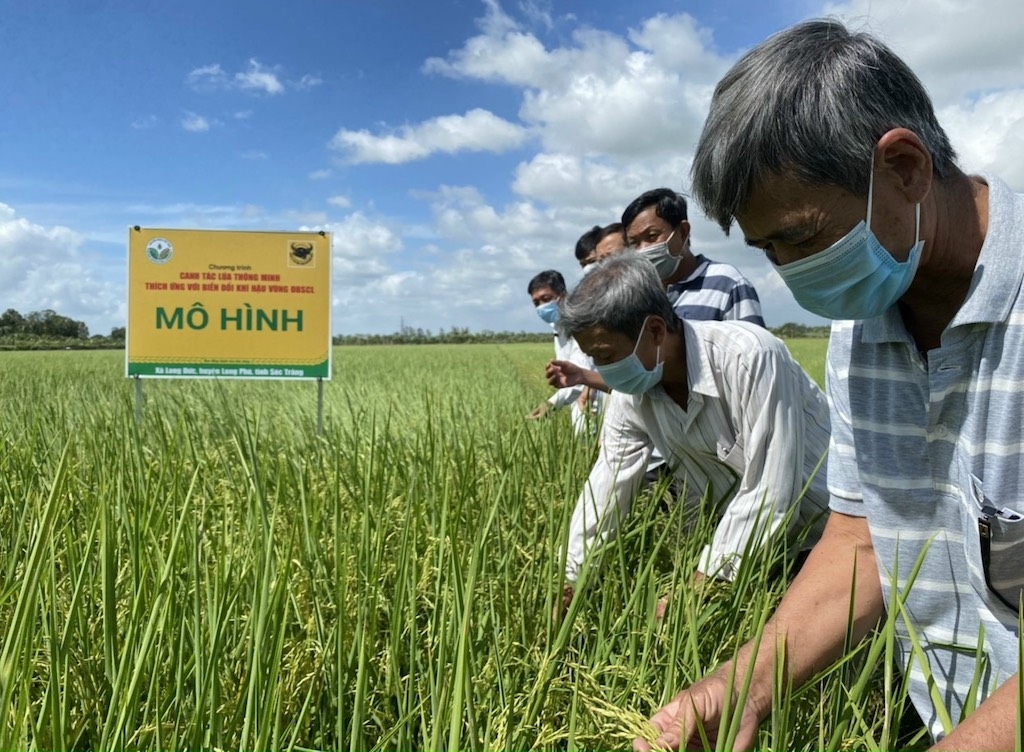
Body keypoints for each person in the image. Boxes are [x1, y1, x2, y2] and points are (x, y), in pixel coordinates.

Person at [635, 19, 1024, 752]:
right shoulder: (864, 324)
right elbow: (863, 541)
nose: (792, 273)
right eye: (769, 250)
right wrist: (741, 688)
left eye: (804, 237)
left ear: (904, 166)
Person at [556, 253, 830, 616]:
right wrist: (574, 575)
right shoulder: (632, 396)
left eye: (607, 356)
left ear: (654, 330)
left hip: (830, 535)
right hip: (749, 552)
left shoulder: (747, 357)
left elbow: (771, 487)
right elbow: (607, 485)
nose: (604, 371)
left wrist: (701, 584)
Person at [622, 188, 765, 326]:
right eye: (634, 243)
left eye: (652, 236)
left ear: (683, 232)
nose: (643, 249)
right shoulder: (636, 295)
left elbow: (754, 347)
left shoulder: (727, 284)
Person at [526, 270, 599, 435]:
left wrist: (551, 405)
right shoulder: (558, 328)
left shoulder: (578, 324)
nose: (541, 307)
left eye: (546, 299)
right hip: (580, 397)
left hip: (595, 395)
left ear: (563, 295)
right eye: (536, 302)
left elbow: (579, 374)